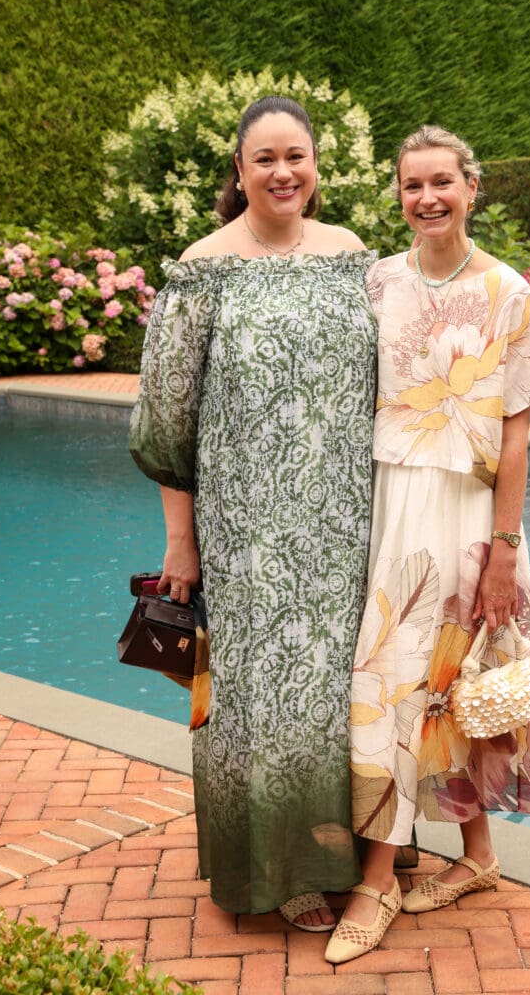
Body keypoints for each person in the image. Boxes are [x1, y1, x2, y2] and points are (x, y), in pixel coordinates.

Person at [129, 96, 378, 931]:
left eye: (296, 156)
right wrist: (181, 542)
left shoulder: (350, 257)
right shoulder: (202, 269)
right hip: (249, 534)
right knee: (252, 704)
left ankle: (335, 851)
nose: (283, 172)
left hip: (345, 525)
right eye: (264, 158)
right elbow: (168, 423)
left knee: (332, 695)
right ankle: (272, 874)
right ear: (238, 171)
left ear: (315, 166)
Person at [325, 125, 530, 963]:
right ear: (397, 194)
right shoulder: (376, 281)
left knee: (461, 686)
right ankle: (474, 861)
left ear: (471, 187)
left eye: (441, 183)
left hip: (469, 517)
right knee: (397, 677)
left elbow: (518, 438)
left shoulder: (509, 293)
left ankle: (378, 877)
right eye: (410, 185)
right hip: (395, 505)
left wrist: (501, 549)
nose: (425, 198)